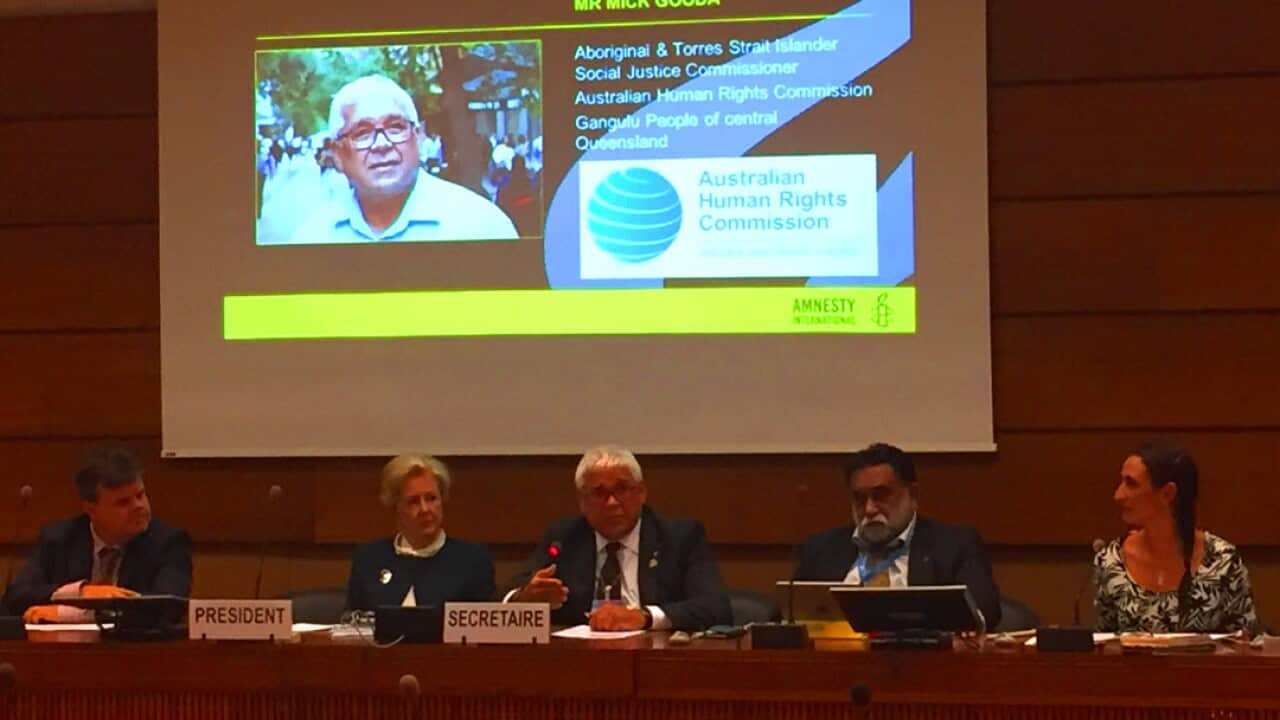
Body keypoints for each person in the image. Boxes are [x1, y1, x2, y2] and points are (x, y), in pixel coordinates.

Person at [504, 446, 731, 631]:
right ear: (582, 502)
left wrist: (644, 617)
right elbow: (503, 596)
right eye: (599, 493)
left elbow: (715, 607)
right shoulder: (564, 538)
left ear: (641, 493)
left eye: (622, 489)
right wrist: (524, 599)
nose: (612, 502)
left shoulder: (679, 537)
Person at [286, 75, 518, 244]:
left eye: (395, 127)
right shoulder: (313, 236)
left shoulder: (483, 225)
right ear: (337, 155)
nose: (382, 144)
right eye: (362, 133)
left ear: (418, 137)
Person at [793, 443, 1002, 629]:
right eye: (859, 498)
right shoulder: (822, 549)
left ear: (913, 495)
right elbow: (791, 618)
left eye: (880, 495)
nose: (869, 509)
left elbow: (985, 612)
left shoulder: (953, 545)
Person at [3, 448, 192, 623]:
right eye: (123, 502)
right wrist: (81, 592)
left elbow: (167, 609)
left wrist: (70, 614)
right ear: (91, 509)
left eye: (140, 495)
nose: (138, 507)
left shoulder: (168, 542)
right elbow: (17, 596)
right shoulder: (59, 539)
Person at [1094, 441, 1260, 635]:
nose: (1118, 495)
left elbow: (1248, 645)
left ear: (1167, 493)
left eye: (1131, 484)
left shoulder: (1222, 561)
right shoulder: (1111, 561)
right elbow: (1103, 647)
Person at [346, 454, 494, 611]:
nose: (425, 509)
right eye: (413, 502)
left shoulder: (471, 560)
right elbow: (350, 624)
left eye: (431, 498)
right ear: (395, 507)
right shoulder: (369, 559)